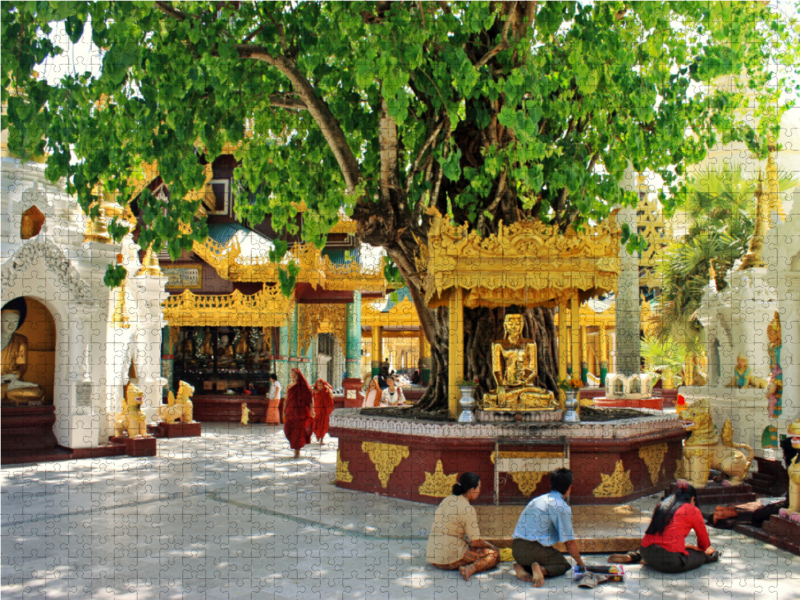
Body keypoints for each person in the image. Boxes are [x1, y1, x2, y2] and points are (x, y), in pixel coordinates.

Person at [609, 481, 719, 573]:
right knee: (701, 556)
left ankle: (635, 556)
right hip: (669, 560)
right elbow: (704, 542)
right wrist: (705, 551)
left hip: (646, 551)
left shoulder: (661, 505)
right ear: (693, 499)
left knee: (676, 547)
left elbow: (660, 534)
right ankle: (705, 557)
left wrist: (687, 546)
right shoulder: (693, 510)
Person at [512, 468, 585, 587]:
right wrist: (581, 564)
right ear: (569, 487)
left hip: (516, 549)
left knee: (536, 557)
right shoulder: (561, 506)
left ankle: (521, 566)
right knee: (563, 565)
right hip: (534, 550)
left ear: (551, 484)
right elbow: (569, 542)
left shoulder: (537, 500)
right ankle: (541, 570)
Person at [426, 472, 500, 581]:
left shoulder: (447, 500)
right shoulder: (467, 509)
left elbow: (447, 529)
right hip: (449, 558)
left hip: (433, 557)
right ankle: (469, 569)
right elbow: (476, 541)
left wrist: (465, 541)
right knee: (494, 555)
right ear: (471, 490)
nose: (480, 490)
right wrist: (491, 546)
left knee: (471, 547)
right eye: (479, 487)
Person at [280, 369, 315, 459]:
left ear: (299, 375)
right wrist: (284, 411)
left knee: (298, 432)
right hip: (290, 411)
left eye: (295, 374)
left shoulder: (304, 386)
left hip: (301, 413)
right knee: (287, 429)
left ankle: (297, 450)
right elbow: (286, 400)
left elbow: (310, 400)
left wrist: (312, 410)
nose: (293, 376)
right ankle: (295, 447)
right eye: (291, 374)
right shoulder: (289, 386)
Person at [312, 379, 334, 445]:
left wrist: (329, 389)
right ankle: (317, 435)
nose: (320, 387)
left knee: (324, 424)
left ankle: (322, 438)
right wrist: (313, 386)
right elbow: (306, 389)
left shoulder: (326, 391)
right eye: (318, 385)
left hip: (325, 410)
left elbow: (332, 396)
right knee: (316, 423)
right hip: (317, 410)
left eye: (321, 385)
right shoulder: (315, 390)